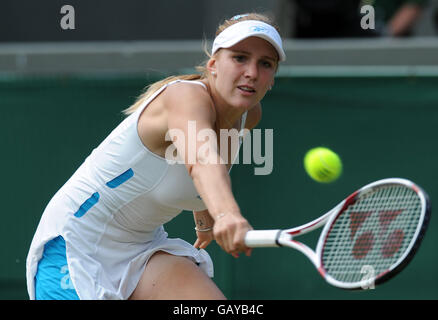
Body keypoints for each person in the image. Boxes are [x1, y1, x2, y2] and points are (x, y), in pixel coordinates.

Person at [26, 12, 286, 300]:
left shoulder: (249, 115)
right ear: (213, 65)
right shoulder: (184, 97)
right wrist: (227, 215)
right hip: (75, 245)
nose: (252, 72)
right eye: (240, 58)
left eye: (265, 64)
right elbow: (201, 160)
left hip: (142, 250)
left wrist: (207, 219)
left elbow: (206, 159)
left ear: (272, 79)